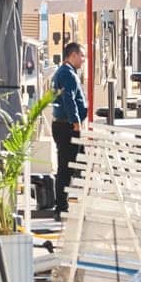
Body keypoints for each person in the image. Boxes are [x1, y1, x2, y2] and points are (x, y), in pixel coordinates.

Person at [51, 42, 88, 214]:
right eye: (82, 56)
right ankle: (61, 206)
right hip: (67, 126)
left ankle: (72, 202)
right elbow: (69, 99)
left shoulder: (63, 72)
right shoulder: (68, 74)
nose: (83, 60)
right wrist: (76, 122)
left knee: (77, 163)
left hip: (63, 124)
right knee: (66, 167)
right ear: (73, 55)